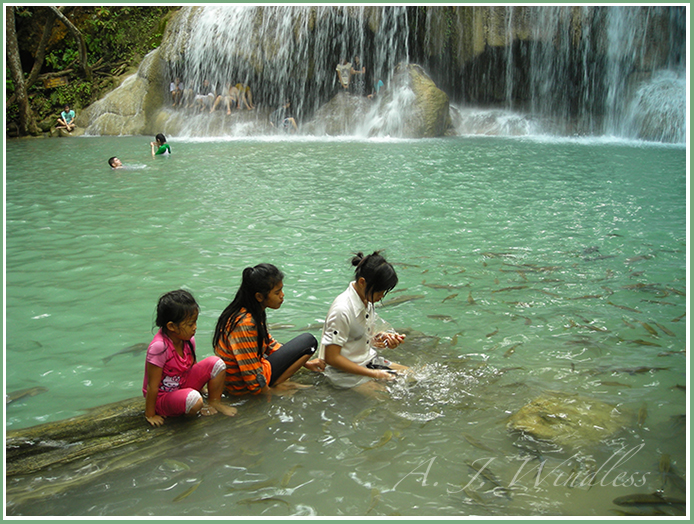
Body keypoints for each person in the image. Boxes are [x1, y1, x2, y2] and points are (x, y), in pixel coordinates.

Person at [214, 264, 325, 397]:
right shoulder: (245, 324)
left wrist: (305, 363)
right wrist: (270, 393)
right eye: (277, 292)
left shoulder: (248, 311)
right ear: (259, 297)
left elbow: (269, 344)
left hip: (244, 377)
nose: (282, 296)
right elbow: (250, 373)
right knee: (308, 342)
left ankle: (275, 381)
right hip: (241, 387)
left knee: (288, 348)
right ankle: (277, 383)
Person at [143, 290, 237, 427]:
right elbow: (152, 386)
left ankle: (215, 402)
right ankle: (186, 409)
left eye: (195, 322)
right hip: (163, 397)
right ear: (171, 326)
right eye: (190, 324)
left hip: (182, 384)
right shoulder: (159, 348)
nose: (195, 327)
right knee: (194, 400)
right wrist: (150, 415)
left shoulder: (187, 339)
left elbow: (192, 367)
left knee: (217, 363)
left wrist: (202, 389)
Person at [318, 251, 408, 391]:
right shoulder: (342, 310)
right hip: (344, 373)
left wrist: (382, 338)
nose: (381, 296)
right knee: (386, 398)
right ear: (362, 282)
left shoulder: (366, 298)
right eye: (379, 292)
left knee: (414, 376)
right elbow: (331, 358)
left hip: (367, 361)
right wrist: (374, 373)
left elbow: (360, 338)